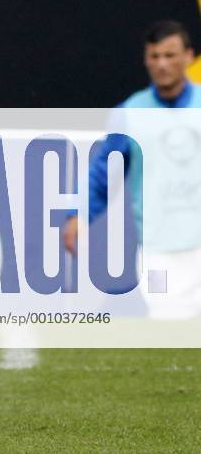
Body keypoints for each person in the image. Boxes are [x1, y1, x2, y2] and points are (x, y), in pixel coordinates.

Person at [63, 20, 201, 318]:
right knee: (169, 325)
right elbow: (103, 171)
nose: (162, 64)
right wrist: (80, 214)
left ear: (189, 56)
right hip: (158, 246)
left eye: (170, 55)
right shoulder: (129, 114)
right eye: (155, 56)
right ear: (145, 59)